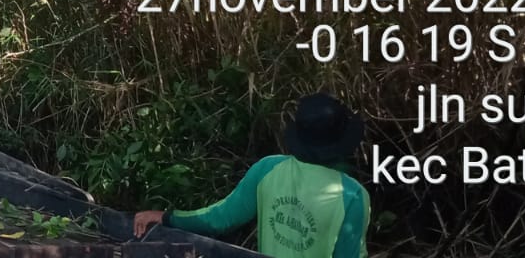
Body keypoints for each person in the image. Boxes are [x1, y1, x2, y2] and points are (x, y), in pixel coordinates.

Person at [133, 93, 371, 258]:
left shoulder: (268, 170)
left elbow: (218, 219)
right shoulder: (352, 196)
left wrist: (167, 217)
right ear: (342, 143)